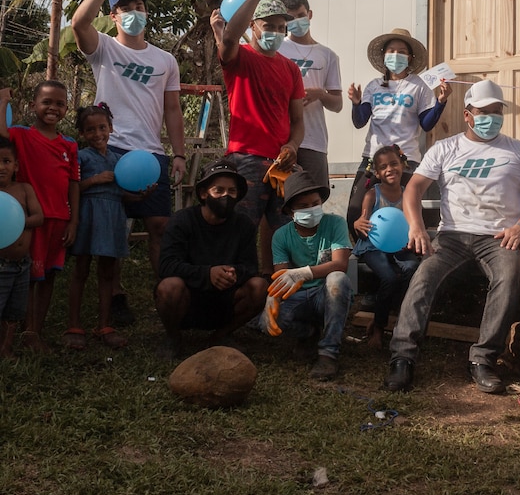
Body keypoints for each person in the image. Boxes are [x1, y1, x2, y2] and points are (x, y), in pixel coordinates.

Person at [384, 79, 520, 393]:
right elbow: (413, 189)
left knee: (510, 274)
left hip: (500, 238)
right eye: (483, 111)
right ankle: (402, 357)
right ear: (467, 115)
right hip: (452, 237)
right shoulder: (445, 147)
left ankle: (483, 359)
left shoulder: (518, 150)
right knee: (423, 277)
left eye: (496, 111)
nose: (490, 117)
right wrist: (416, 227)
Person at [72, 0, 188, 324]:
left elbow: (172, 110)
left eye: (140, 6)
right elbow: (78, 22)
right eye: (126, 7)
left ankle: (163, 294)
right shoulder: (103, 48)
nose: (134, 11)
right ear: (114, 16)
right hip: (112, 149)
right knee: (115, 225)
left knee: (158, 226)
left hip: (150, 154)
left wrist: (179, 153)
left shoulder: (165, 60)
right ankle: (117, 296)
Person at [211, 0, 305, 276]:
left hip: (282, 164)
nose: (276, 32)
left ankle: (280, 298)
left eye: (281, 27)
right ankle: (234, 294)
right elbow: (227, 38)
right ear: (253, 27)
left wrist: (293, 147)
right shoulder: (241, 58)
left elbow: (298, 122)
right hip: (247, 160)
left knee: (287, 235)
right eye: (269, 26)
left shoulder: (291, 69)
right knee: (239, 232)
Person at [155, 160, 268, 360]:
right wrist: (208, 274)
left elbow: (250, 267)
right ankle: (173, 338)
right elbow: (166, 265)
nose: (226, 196)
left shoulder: (244, 225)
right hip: (188, 299)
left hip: (226, 299)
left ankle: (221, 336)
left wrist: (233, 273)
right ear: (204, 193)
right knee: (169, 286)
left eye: (232, 191)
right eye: (219, 190)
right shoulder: (182, 221)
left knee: (259, 286)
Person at [346, 28, 451, 232]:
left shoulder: (419, 86)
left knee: (405, 210)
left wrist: (440, 102)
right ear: (384, 55)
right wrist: (357, 103)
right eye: (391, 51)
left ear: (410, 58)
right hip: (372, 157)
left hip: (405, 159)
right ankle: (367, 251)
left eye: (402, 51)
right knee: (355, 210)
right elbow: (360, 122)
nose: (396, 55)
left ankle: (406, 252)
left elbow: (426, 124)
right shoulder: (374, 85)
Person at [0, 82, 79, 352]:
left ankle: (35, 331)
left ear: (67, 109)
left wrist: (73, 220)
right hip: (29, 222)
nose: (53, 108)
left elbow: (73, 184)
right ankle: (22, 332)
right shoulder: (20, 135)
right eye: (47, 102)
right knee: (26, 277)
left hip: (58, 221)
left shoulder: (70, 144)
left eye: (60, 103)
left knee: (48, 276)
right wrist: (3, 103)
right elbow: (1, 136)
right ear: (33, 105)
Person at [261, 171, 352, 380]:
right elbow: (281, 277)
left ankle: (328, 354)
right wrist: (272, 297)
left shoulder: (335, 223)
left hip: (326, 295)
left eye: (315, 203)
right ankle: (307, 334)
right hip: (298, 297)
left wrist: (304, 272)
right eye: (303, 206)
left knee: (337, 280)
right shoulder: (281, 236)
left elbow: (341, 264)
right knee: (269, 321)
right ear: (291, 212)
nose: (311, 209)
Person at [65, 104, 130, 350]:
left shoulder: (119, 160)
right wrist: (94, 180)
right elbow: (71, 188)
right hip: (88, 216)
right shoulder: (80, 156)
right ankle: (74, 325)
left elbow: (124, 193)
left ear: (111, 128)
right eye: (90, 130)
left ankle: (104, 325)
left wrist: (143, 194)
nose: (97, 134)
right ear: (82, 134)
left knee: (107, 273)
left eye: (102, 127)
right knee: (81, 270)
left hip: (113, 217)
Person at [352, 145, 420, 349]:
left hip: (401, 245)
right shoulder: (372, 194)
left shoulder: (408, 194)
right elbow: (361, 222)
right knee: (389, 277)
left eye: (393, 163)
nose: (390, 169)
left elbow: (415, 222)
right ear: (377, 172)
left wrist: (412, 238)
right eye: (383, 167)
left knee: (411, 269)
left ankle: (400, 316)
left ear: (402, 165)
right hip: (373, 246)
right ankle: (379, 328)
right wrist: (357, 224)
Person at [279, 0, 343, 188]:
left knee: (313, 198)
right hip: (282, 139)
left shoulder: (328, 55)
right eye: (291, 17)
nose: (297, 21)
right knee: (281, 202)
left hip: (314, 140)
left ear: (310, 14)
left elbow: (337, 105)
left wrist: (320, 94)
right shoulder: (278, 49)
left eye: (300, 15)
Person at [0, 136, 43, 358]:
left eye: (6, 161)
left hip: (21, 264)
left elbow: (39, 217)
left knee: (14, 310)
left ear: (16, 165)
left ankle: (6, 348)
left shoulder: (24, 189)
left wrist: (18, 222)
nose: (1, 167)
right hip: (0, 264)